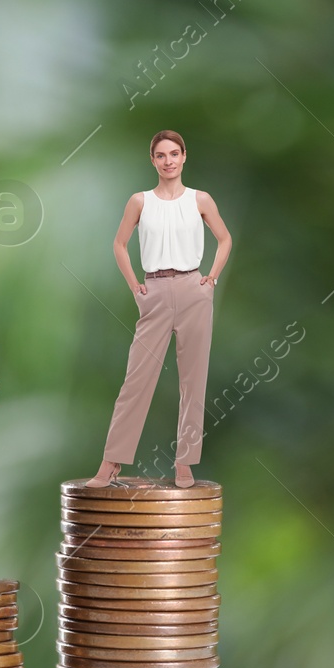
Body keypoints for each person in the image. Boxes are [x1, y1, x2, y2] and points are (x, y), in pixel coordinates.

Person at [87, 130, 233, 489]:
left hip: (193, 289)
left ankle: (185, 463)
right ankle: (110, 463)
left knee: (193, 379)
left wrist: (211, 278)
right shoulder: (140, 202)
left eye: (174, 153)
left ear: (185, 157)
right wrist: (135, 285)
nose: (168, 161)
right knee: (137, 378)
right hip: (154, 288)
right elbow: (120, 244)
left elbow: (225, 238)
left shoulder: (201, 200)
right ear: (152, 160)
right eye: (161, 155)